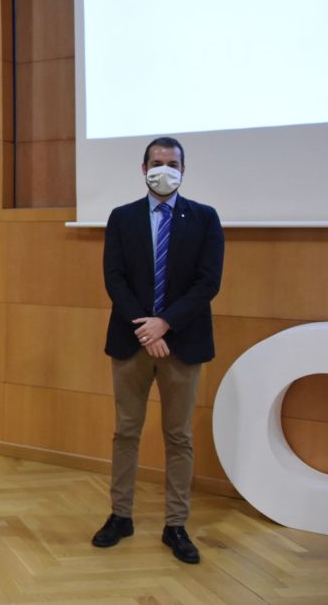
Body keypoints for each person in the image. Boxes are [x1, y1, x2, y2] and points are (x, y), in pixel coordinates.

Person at [92, 136, 224, 564]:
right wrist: (147, 330)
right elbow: (115, 279)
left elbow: (208, 283)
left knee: (178, 436)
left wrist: (165, 323)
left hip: (183, 344)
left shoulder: (204, 218)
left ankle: (176, 525)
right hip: (131, 343)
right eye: (156, 162)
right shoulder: (121, 218)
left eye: (171, 163)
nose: (163, 169)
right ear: (143, 167)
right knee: (126, 431)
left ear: (183, 171)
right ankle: (120, 515)